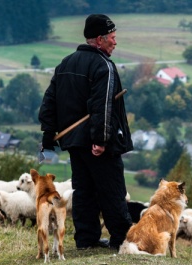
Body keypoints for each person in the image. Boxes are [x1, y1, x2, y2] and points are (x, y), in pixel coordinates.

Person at [38, 14, 133, 250]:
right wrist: (101, 140)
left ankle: (86, 240)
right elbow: (103, 105)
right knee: (112, 191)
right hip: (97, 143)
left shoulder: (66, 63)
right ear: (99, 40)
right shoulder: (104, 66)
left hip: (75, 144)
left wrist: (48, 133)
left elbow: (49, 101)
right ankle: (122, 240)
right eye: (112, 37)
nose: (115, 42)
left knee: (84, 191)